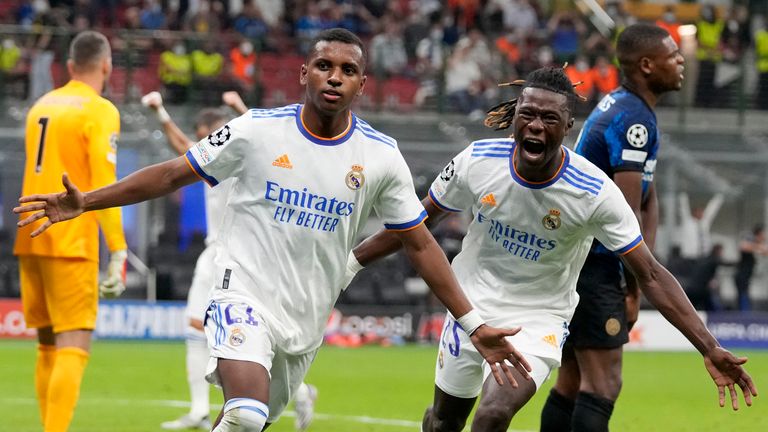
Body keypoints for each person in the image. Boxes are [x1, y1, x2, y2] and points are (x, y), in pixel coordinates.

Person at [14, 28, 527, 432]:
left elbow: (419, 241)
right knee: (245, 415)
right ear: (304, 72)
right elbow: (173, 173)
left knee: (244, 422)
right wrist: (88, 202)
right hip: (243, 293)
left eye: (348, 70)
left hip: (305, 318)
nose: (334, 77)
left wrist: (474, 324)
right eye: (324, 66)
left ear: (362, 84)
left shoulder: (381, 157)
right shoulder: (256, 130)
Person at [350, 66, 757, 432]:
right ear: (514, 117)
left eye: (550, 118)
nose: (536, 126)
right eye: (528, 114)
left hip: (538, 320)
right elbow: (413, 225)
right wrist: (349, 264)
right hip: (468, 307)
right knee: (444, 421)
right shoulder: (477, 161)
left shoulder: (594, 192)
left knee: (492, 415)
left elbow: (650, 273)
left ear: (567, 126)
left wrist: (710, 346)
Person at [539, 23, 686, 432]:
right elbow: (626, 212)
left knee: (571, 381)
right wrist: (635, 287)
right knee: (604, 383)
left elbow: (646, 196)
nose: (681, 62)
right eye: (673, 56)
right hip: (597, 265)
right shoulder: (633, 119)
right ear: (646, 65)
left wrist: (643, 270)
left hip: (579, 257)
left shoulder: (622, 106)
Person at [144, 90, 318, 431]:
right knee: (195, 327)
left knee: (253, 340)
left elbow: (270, 133)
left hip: (243, 258)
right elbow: (184, 149)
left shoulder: (243, 153)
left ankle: (298, 394)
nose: (202, 144)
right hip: (213, 255)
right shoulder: (214, 156)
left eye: (205, 136)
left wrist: (163, 112)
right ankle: (198, 410)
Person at [13, 30, 128, 432]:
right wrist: (118, 249)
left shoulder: (41, 105)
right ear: (107, 66)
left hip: (30, 236)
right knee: (73, 344)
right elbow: (103, 180)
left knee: (46, 344)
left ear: (69, 67)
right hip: (72, 240)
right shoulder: (99, 109)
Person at [678, 191, 724, 263]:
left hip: (703, 256)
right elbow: (684, 209)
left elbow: (711, 210)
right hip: (689, 257)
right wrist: (683, 196)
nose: (701, 214)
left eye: (702, 212)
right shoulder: (688, 222)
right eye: (699, 212)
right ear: (694, 212)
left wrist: (719, 198)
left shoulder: (704, 223)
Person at [734, 224, 768, 311]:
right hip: (741, 275)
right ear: (758, 234)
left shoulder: (756, 243)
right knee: (743, 296)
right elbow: (743, 246)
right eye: (763, 234)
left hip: (746, 276)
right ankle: (743, 314)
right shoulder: (750, 239)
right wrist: (758, 247)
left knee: (745, 294)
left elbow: (765, 251)